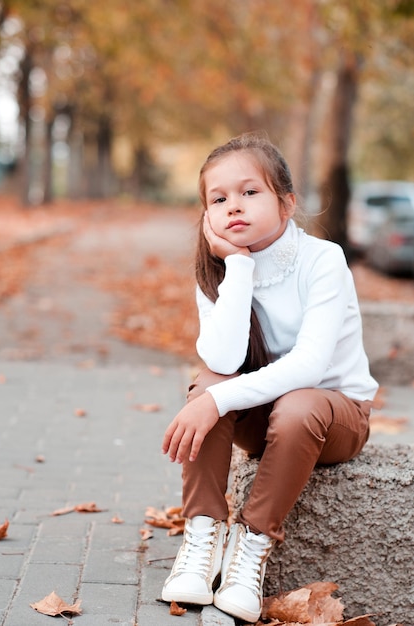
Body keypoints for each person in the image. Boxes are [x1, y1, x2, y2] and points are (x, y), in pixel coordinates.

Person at [161, 132, 378, 623]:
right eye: (218, 199)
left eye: (249, 192)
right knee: (210, 381)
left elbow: (310, 367)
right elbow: (222, 357)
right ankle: (202, 538)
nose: (233, 206)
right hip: (264, 420)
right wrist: (237, 269)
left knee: (287, 399)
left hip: (331, 419)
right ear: (206, 216)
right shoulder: (216, 270)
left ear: (287, 203)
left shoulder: (323, 261)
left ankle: (251, 550)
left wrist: (213, 402)